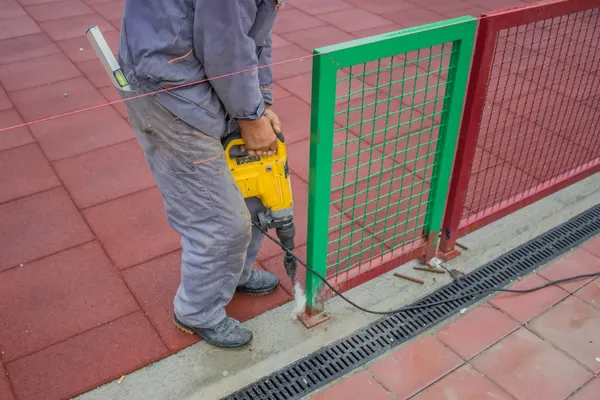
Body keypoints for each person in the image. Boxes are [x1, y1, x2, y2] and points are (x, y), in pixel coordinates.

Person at [116, 0, 286, 349]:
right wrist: (251, 118)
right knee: (219, 219)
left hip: (195, 70)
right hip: (168, 87)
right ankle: (197, 311)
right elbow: (227, 46)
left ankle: (231, 274)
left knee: (248, 184)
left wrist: (262, 101)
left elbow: (255, 34)